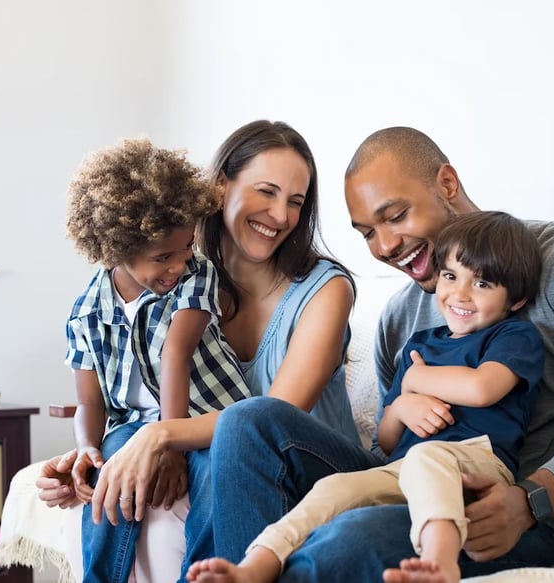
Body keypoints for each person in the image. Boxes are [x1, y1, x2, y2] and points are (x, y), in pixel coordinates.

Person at [194, 126, 554, 582]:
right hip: (409, 484)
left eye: (395, 216)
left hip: (513, 516)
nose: (385, 247)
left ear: (447, 184)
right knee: (247, 421)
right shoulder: (400, 318)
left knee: (348, 540)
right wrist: (400, 410)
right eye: (367, 233)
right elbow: (387, 448)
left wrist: (530, 501)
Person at [36, 120, 362, 582]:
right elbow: (127, 389)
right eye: (266, 192)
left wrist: (161, 436)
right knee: (121, 463)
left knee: (234, 440)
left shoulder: (324, 290)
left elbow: (272, 419)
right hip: (218, 450)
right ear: (220, 186)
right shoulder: (175, 280)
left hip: (307, 467)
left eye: (295, 201)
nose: (281, 215)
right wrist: (91, 456)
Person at [186, 210, 545, 583]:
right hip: (402, 470)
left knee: (427, 456)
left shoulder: (512, 336)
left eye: (482, 283)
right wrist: (401, 405)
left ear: (516, 300)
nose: (461, 294)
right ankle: (255, 566)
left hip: (477, 464)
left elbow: (482, 388)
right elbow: (387, 441)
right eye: (451, 276)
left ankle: (440, 562)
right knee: (334, 488)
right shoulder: (420, 345)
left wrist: (416, 379)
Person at [64, 138, 251, 583]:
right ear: (116, 249)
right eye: (163, 257)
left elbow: (175, 353)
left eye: (185, 247)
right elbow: (89, 402)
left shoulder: (196, 274)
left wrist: (169, 445)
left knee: (216, 473)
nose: (178, 264)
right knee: (111, 470)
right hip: (132, 425)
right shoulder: (86, 312)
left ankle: (203, 576)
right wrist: (87, 447)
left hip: (207, 417)